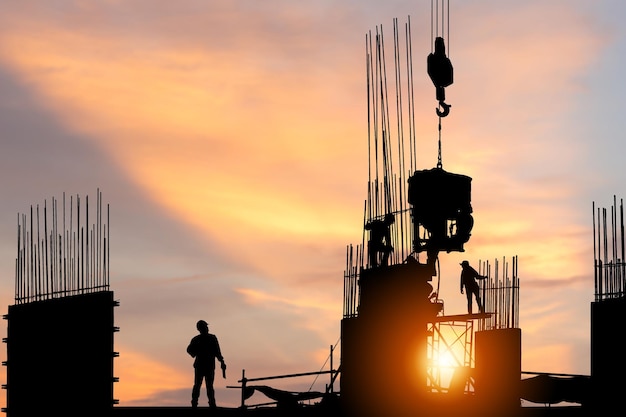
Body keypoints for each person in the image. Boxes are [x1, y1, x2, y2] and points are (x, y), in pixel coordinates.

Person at [187, 320, 227, 408]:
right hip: (203, 365)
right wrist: (197, 352)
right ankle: (195, 403)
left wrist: (222, 361)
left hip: (208, 366)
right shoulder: (199, 339)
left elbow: (217, 352)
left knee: (208, 385)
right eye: (205, 327)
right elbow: (189, 350)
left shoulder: (209, 338)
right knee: (199, 385)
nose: (207, 328)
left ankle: (211, 403)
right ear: (201, 328)